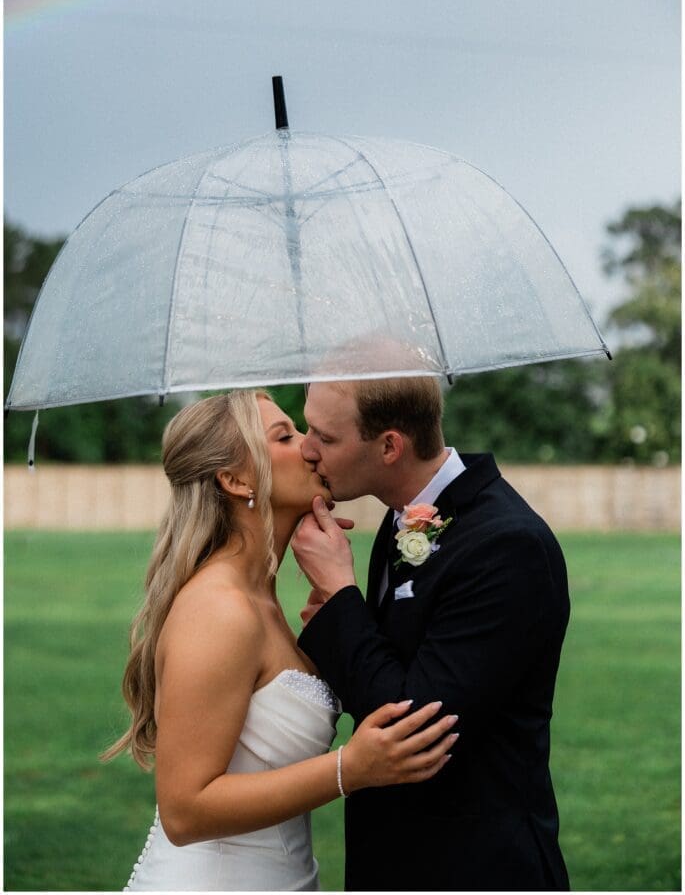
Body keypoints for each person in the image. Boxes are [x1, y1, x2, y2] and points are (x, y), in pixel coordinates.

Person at [103, 389, 455, 892]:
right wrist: (348, 769)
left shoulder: (262, 601)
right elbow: (184, 811)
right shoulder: (220, 609)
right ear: (235, 479)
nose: (311, 447)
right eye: (285, 436)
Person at [292, 376, 571, 892]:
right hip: (395, 860)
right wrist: (342, 622)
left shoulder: (508, 545)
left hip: (473, 867)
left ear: (390, 446)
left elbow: (414, 729)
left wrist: (339, 597)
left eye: (325, 437)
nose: (307, 450)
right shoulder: (403, 519)